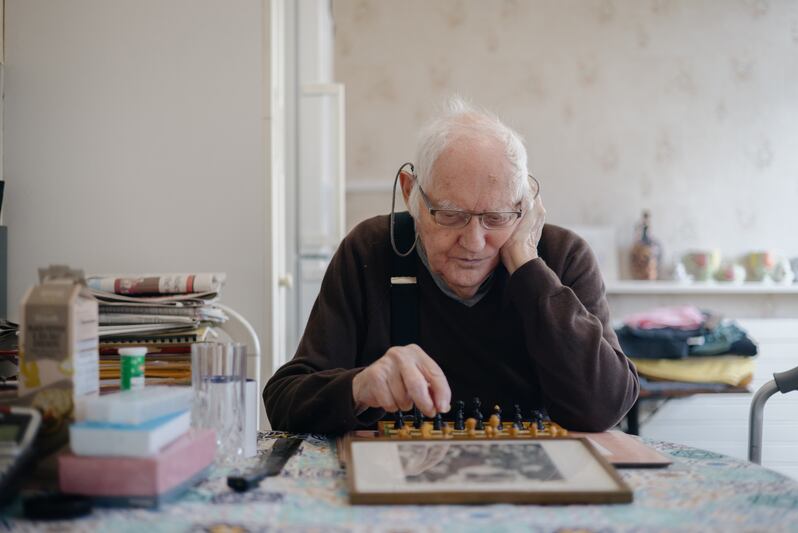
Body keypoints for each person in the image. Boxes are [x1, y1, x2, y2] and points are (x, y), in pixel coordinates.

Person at [264, 97, 639, 434]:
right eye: (450, 215)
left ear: (525, 207)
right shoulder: (371, 250)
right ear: (411, 192)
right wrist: (358, 387)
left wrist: (527, 265)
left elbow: (603, 407)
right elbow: (284, 402)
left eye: (496, 217)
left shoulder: (563, 257)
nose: (474, 242)